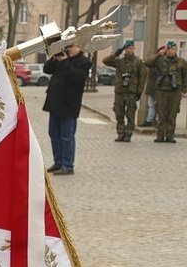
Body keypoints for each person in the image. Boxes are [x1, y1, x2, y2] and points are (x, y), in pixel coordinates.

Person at [42, 42, 91, 174]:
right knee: (54, 134)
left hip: (69, 104)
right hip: (55, 103)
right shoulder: (61, 58)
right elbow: (47, 69)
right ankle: (58, 162)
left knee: (66, 136)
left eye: (71, 46)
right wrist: (54, 58)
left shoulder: (84, 62)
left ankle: (68, 165)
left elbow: (77, 77)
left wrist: (64, 62)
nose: (68, 49)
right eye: (67, 47)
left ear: (78, 47)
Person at [102, 40, 147, 142]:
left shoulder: (138, 62)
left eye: (130, 48)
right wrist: (117, 52)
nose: (129, 50)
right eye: (127, 49)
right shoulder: (120, 61)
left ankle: (129, 133)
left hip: (131, 91)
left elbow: (142, 77)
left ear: (133, 49)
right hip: (120, 91)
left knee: (130, 114)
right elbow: (105, 61)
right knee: (119, 113)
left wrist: (139, 91)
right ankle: (120, 133)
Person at [146, 40, 187, 143]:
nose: (170, 51)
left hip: (175, 91)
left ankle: (170, 135)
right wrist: (158, 54)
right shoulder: (160, 60)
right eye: (168, 49)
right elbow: (148, 63)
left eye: (172, 49)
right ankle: (160, 135)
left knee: (172, 114)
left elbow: (185, 76)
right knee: (161, 113)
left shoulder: (181, 62)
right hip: (161, 90)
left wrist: (184, 89)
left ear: (176, 50)